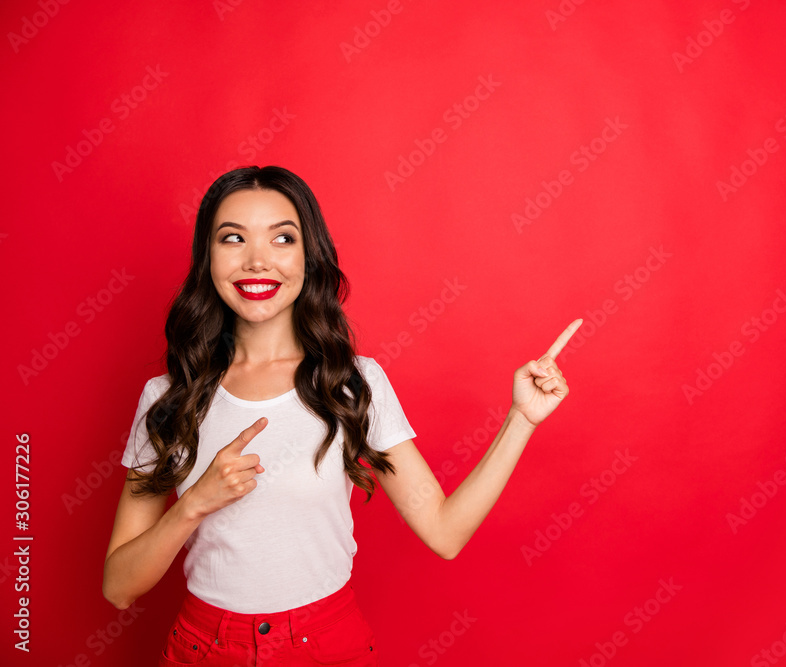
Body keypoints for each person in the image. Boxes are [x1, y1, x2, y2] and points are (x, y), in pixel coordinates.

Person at [101, 165, 582, 666]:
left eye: (282, 238)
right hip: (203, 649)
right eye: (233, 238)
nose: (258, 260)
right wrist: (195, 503)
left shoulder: (353, 383)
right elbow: (119, 587)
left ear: (309, 257)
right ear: (208, 259)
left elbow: (445, 532)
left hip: (326, 647)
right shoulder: (168, 398)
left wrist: (520, 420)